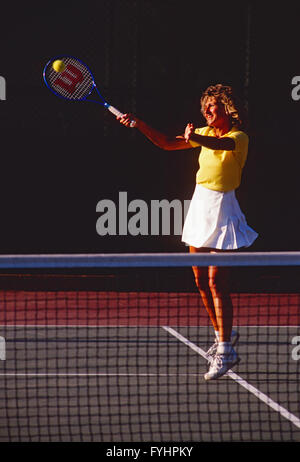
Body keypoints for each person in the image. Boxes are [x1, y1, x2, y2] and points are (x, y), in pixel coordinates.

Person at [117, 84, 258, 380]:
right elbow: (168, 143)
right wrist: (139, 124)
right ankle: (222, 339)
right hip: (200, 205)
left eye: (212, 106)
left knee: (217, 280)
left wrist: (194, 136)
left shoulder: (238, 137)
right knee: (200, 280)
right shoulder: (203, 135)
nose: (206, 111)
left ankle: (223, 348)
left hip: (223, 207)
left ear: (226, 110)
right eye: (204, 107)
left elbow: (223, 148)